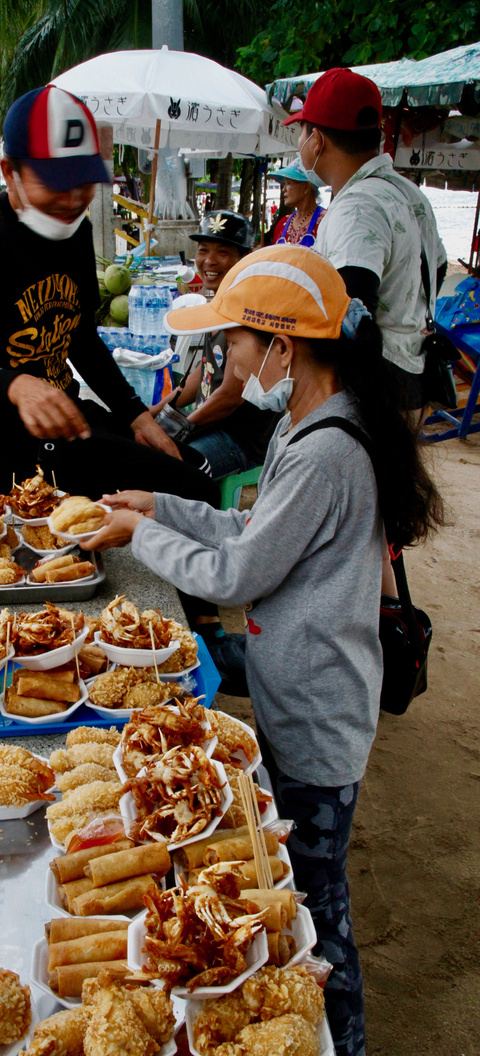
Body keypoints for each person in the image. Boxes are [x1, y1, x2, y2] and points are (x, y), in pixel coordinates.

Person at [84, 245, 444, 1056]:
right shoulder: (309, 422)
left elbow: (241, 571)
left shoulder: (324, 451)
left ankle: (342, 1040)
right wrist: (163, 505)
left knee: (315, 910)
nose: (227, 362)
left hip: (319, 720)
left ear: (282, 348)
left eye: (234, 346)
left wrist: (142, 533)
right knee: (296, 888)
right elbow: (252, 531)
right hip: (298, 697)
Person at [0, 84, 216, 508]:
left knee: (195, 466)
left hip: (69, 422)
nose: (73, 199)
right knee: (194, 491)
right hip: (9, 451)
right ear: (10, 172)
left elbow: (81, 338)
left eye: (83, 182)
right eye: (56, 182)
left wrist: (134, 416)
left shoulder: (74, 228)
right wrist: (17, 386)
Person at [283, 67, 447, 414]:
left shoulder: (356, 207)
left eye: (301, 131)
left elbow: (350, 313)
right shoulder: (411, 194)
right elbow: (439, 266)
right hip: (412, 371)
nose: (299, 144)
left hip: (373, 390)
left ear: (317, 141)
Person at [153, 210, 281, 479]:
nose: (209, 261)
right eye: (203, 250)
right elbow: (203, 370)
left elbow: (229, 396)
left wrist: (181, 426)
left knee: (169, 472)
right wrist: (154, 411)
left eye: (222, 252)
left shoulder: (249, 311)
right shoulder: (219, 301)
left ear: (243, 259)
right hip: (209, 424)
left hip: (237, 438)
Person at [270, 158, 325, 245]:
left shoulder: (325, 222)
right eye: (284, 184)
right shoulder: (282, 224)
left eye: (288, 183)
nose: (283, 189)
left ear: (306, 187)